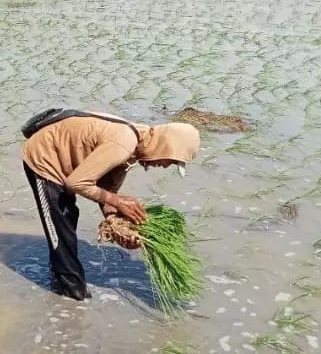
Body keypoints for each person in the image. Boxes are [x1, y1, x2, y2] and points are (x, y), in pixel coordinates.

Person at [19, 109, 200, 301]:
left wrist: (121, 228)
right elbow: (77, 184)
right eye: (171, 161)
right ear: (165, 147)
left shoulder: (131, 151)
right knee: (60, 229)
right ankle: (72, 297)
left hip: (67, 165)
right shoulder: (123, 144)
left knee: (68, 217)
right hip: (45, 158)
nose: (165, 166)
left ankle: (61, 279)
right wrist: (118, 201)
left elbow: (105, 193)